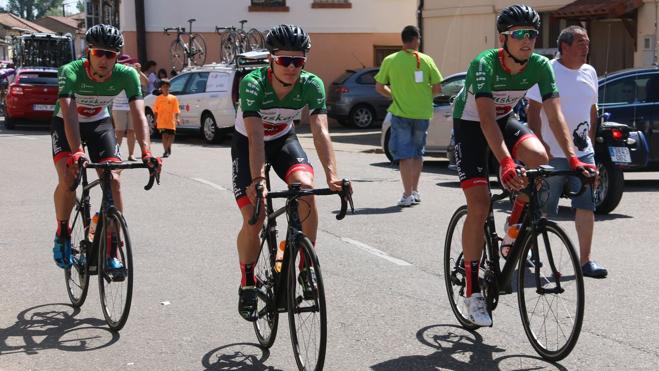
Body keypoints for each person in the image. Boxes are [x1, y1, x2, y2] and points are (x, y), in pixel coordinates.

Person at [452, 4, 594, 326]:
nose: (527, 40)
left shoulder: (540, 66)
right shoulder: (485, 64)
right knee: (479, 204)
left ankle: (513, 228)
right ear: (504, 38)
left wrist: (572, 157)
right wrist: (504, 162)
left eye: (531, 34)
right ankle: (473, 292)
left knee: (540, 161)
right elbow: (485, 119)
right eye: (518, 34)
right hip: (472, 126)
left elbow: (555, 115)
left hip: (503, 121)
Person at [231, 24, 344, 321]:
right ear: (271, 59)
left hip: (283, 140)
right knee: (254, 219)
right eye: (285, 60)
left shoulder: (312, 84)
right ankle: (247, 281)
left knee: (306, 188)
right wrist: (258, 181)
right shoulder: (253, 83)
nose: (292, 67)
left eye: (298, 61)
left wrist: (332, 175)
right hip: (248, 144)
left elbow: (321, 132)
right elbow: (255, 138)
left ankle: (305, 265)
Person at [50, 24, 160, 270]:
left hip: (100, 123)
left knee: (114, 181)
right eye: (99, 52)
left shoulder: (127, 75)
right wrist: (77, 150)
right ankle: (62, 231)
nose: (104, 59)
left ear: (118, 56)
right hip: (67, 123)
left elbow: (140, 116)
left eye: (110, 55)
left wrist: (147, 152)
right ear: (89, 52)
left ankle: (111, 249)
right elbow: (68, 114)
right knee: (69, 178)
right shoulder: (71, 71)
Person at [526, 25, 607, 278]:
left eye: (587, 42)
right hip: (553, 154)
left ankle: (585, 261)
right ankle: (528, 249)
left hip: (583, 153)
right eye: (581, 43)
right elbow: (532, 110)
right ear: (564, 46)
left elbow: (592, 110)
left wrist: (590, 142)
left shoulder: (590, 72)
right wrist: (540, 145)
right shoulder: (548, 70)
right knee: (544, 208)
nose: (586, 47)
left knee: (586, 205)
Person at [375, 25, 442, 207]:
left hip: (401, 112)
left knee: (405, 155)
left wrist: (394, 95)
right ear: (417, 39)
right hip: (422, 114)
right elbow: (438, 89)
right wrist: (422, 96)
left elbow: (379, 87)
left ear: (403, 40)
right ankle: (414, 191)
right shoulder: (427, 60)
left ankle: (406, 194)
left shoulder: (390, 60)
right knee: (417, 153)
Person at [112, 54, 139, 161]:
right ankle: (116, 154)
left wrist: (138, 71)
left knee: (132, 131)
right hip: (118, 106)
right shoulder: (115, 73)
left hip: (131, 105)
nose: (128, 65)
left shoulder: (132, 73)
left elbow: (145, 83)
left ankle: (131, 154)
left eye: (129, 62)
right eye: (126, 63)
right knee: (119, 131)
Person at [153, 78, 180, 157]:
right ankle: (166, 151)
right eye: (164, 86)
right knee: (164, 135)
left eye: (167, 86)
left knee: (171, 136)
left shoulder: (173, 98)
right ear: (161, 88)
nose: (166, 88)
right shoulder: (159, 98)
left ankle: (169, 147)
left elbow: (176, 109)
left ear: (169, 87)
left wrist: (177, 118)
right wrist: (155, 120)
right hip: (162, 121)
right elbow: (156, 110)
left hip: (171, 121)